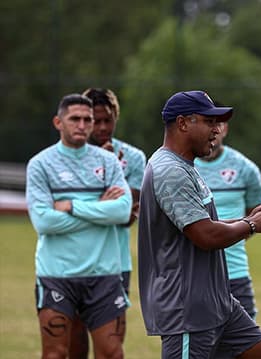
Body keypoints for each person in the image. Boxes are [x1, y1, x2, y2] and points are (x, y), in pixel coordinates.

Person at [137, 90, 261, 358]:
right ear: (182, 123)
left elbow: (204, 223)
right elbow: (205, 235)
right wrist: (250, 224)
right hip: (187, 308)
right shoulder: (170, 171)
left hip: (215, 302)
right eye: (209, 122)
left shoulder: (186, 166)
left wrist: (247, 219)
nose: (217, 130)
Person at [26, 93, 132, 358]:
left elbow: (121, 212)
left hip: (105, 275)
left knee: (112, 353)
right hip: (56, 276)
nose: (83, 125)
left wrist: (72, 205)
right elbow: (44, 221)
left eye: (88, 119)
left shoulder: (108, 162)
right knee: (55, 354)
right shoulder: (40, 164)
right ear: (58, 122)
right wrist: (99, 207)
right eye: (75, 119)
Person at [60, 88, 147, 358]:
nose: (101, 127)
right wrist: (103, 199)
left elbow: (123, 217)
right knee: (74, 345)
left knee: (111, 350)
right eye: (94, 120)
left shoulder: (133, 158)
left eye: (107, 120)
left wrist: (84, 203)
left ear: (116, 119)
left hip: (115, 263)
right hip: (72, 261)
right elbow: (60, 213)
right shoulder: (62, 158)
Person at [195, 120, 261, 319]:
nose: (214, 130)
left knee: (252, 346)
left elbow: (255, 217)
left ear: (225, 128)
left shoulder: (245, 168)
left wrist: (226, 236)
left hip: (235, 273)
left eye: (219, 124)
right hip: (195, 276)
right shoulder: (183, 168)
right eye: (207, 123)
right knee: (202, 347)